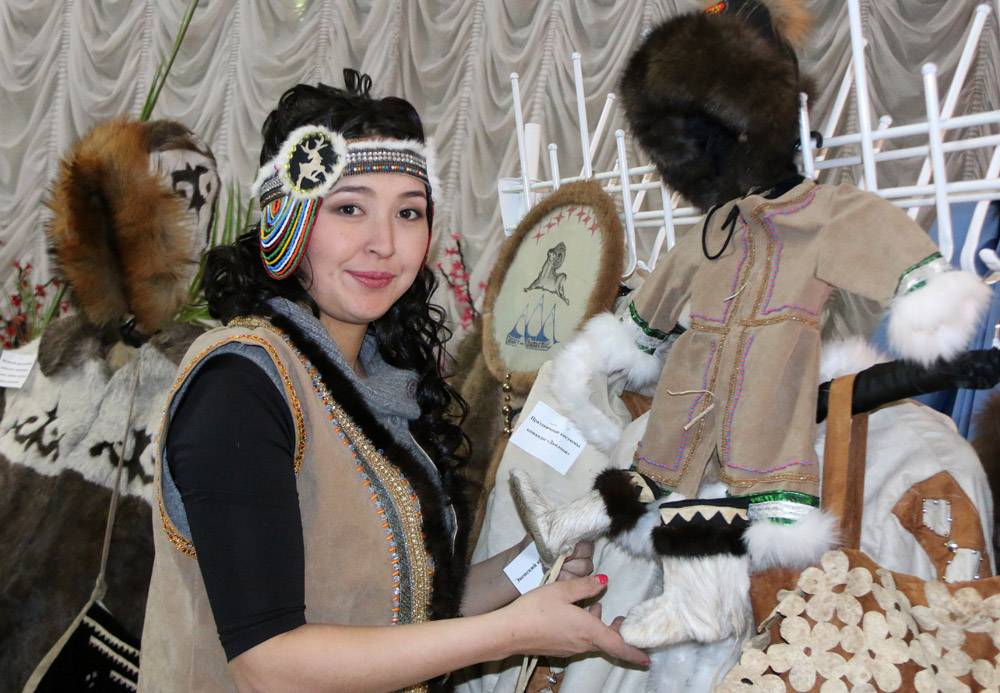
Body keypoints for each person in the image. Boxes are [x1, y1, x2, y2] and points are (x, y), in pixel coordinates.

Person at [137, 70, 647, 693]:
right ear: (285, 219)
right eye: (349, 208)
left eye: (408, 212)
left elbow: (403, 616)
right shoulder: (241, 385)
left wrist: (535, 564)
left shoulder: (378, 384)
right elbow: (267, 664)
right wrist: (514, 633)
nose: (384, 243)